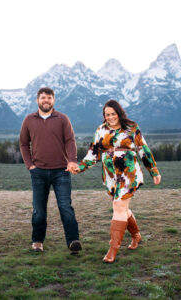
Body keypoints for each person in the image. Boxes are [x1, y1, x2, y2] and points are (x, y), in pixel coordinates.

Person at [75, 99, 161, 263]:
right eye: (107, 114)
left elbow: (143, 149)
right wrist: (81, 167)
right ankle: (136, 235)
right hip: (110, 176)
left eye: (113, 113)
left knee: (119, 206)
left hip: (128, 173)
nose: (110, 117)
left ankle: (113, 249)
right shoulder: (101, 129)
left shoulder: (131, 127)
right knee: (122, 207)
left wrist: (154, 171)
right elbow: (93, 153)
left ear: (119, 113)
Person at [19, 87, 81, 254]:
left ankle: (73, 241)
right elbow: (24, 144)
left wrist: (72, 161)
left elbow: (70, 141)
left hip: (62, 171)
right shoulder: (29, 120)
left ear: (54, 100)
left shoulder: (62, 118)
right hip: (38, 171)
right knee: (39, 209)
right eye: (43, 98)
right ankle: (38, 241)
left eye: (49, 98)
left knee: (65, 207)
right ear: (37, 100)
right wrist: (30, 165)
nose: (46, 100)